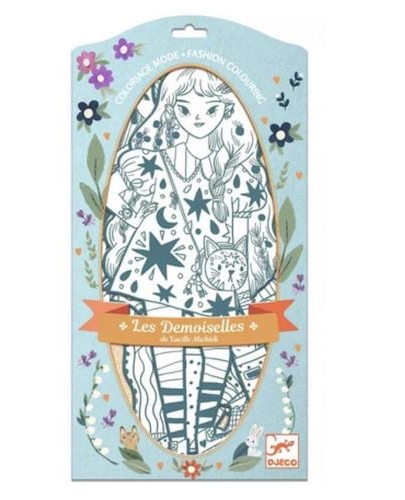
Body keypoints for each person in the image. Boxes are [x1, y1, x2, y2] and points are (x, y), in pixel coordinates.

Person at [102, 68, 277, 454]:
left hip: (217, 270)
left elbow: (248, 222)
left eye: (209, 109)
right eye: (185, 108)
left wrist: (245, 272)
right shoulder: (151, 159)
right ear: (171, 109)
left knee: (216, 350)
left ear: (225, 111)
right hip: (156, 265)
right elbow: (111, 200)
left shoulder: (235, 166)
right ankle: (174, 434)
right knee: (166, 350)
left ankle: (203, 435)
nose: (197, 118)